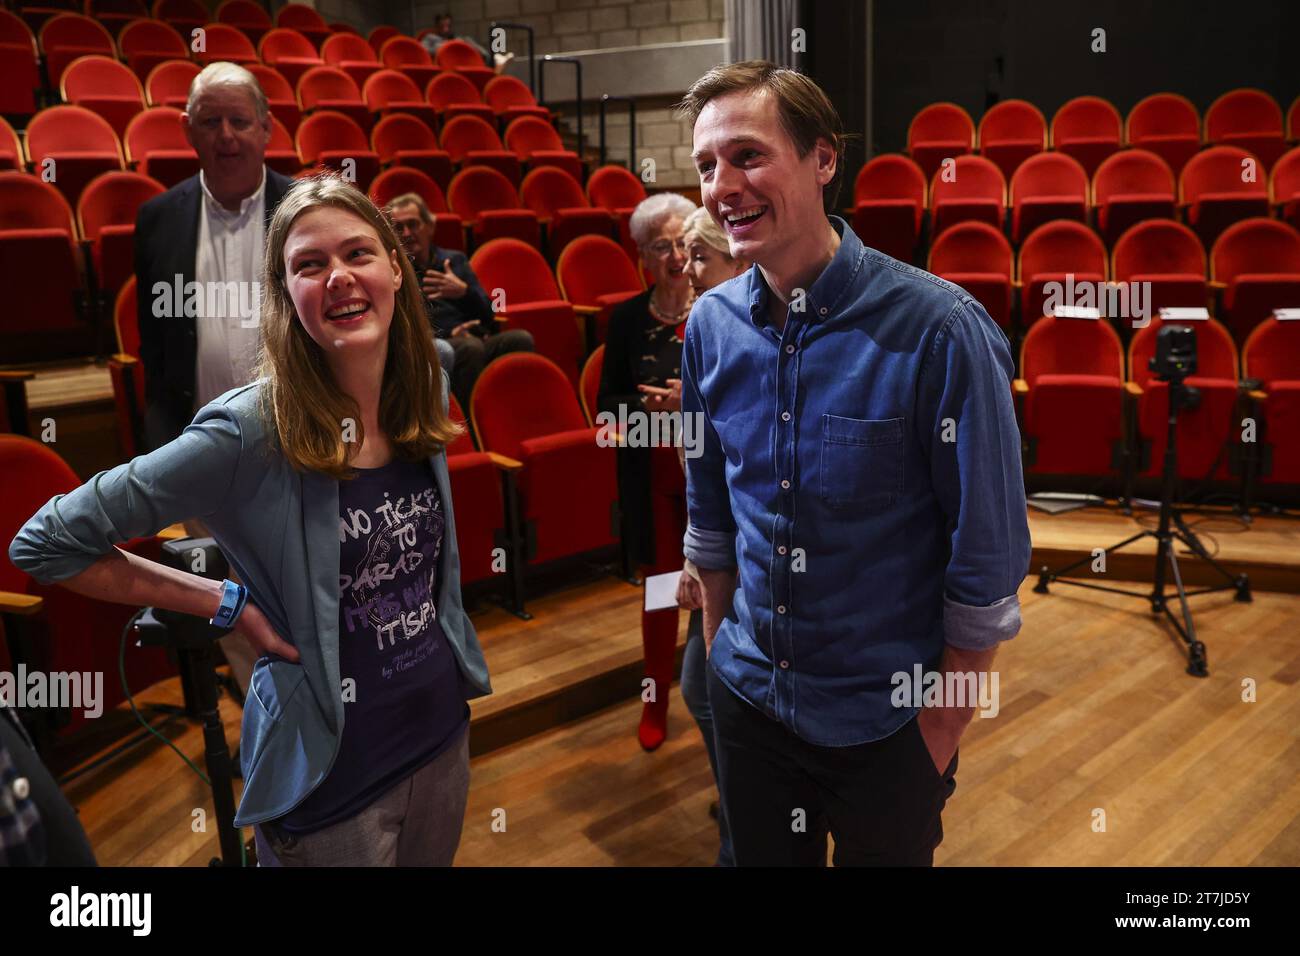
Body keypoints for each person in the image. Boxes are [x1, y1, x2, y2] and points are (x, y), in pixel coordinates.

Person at [10, 174, 492, 867]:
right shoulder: (245, 432)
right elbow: (47, 542)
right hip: (331, 786)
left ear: (395, 266)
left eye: (358, 253)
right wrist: (222, 603)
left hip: (442, 739)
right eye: (309, 264)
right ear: (285, 295)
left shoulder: (425, 386)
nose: (339, 278)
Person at [678, 61, 1031, 866]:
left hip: (890, 730)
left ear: (823, 159)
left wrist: (937, 733)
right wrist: (722, 650)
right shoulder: (711, 328)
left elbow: (988, 564)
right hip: (749, 705)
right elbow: (710, 519)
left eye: (747, 156)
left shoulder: (942, 331)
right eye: (705, 166)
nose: (722, 185)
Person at [134, 61, 294, 701]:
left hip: (297, 440)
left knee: (306, 586)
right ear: (187, 131)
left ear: (266, 128)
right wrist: (160, 450)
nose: (226, 135)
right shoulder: (158, 220)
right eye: (210, 122)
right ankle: (274, 727)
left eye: (238, 120)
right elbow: (157, 350)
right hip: (203, 447)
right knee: (228, 599)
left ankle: (332, 711)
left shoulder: (304, 207)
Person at [663, 205, 750, 866]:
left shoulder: (756, 330)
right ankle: (747, 807)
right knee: (701, 687)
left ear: (740, 260)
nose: (684, 270)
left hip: (757, 559)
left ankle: (746, 829)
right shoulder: (706, 328)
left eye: (698, 257)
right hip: (716, 547)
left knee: (715, 692)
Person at [597, 192, 696, 752]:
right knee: (661, 592)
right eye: (662, 246)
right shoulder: (629, 319)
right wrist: (652, 413)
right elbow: (605, 410)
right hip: (656, 476)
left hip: (712, 473)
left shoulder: (719, 304)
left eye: (684, 242)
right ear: (643, 257)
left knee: (721, 587)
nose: (677, 255)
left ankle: (716, 696)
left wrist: (694, 406)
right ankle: (654, 698)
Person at [386, 193, 533, 411]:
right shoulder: (396, 272)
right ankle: (470, 420)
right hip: (436, 344)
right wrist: (450, 333)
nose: (407, 233)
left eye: (413, 224)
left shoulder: (455, 260)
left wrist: (464, 292)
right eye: (399, 227)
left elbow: (489, 313)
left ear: (430, 227)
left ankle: (518, 412)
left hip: (473, 335)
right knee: (469, 348)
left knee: (520, 339)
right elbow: (403, 324)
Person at [420, 12, 514, 73]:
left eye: (448, 26)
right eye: (442, 26)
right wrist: (447, 46)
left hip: (464, 63)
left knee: (467, 40)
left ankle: (494, 61)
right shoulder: (430, 38)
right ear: (436, 26)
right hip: (446, 67)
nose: (446, 29)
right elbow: (423, 51)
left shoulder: (456, 37)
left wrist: (461, 43)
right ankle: (494, 67)